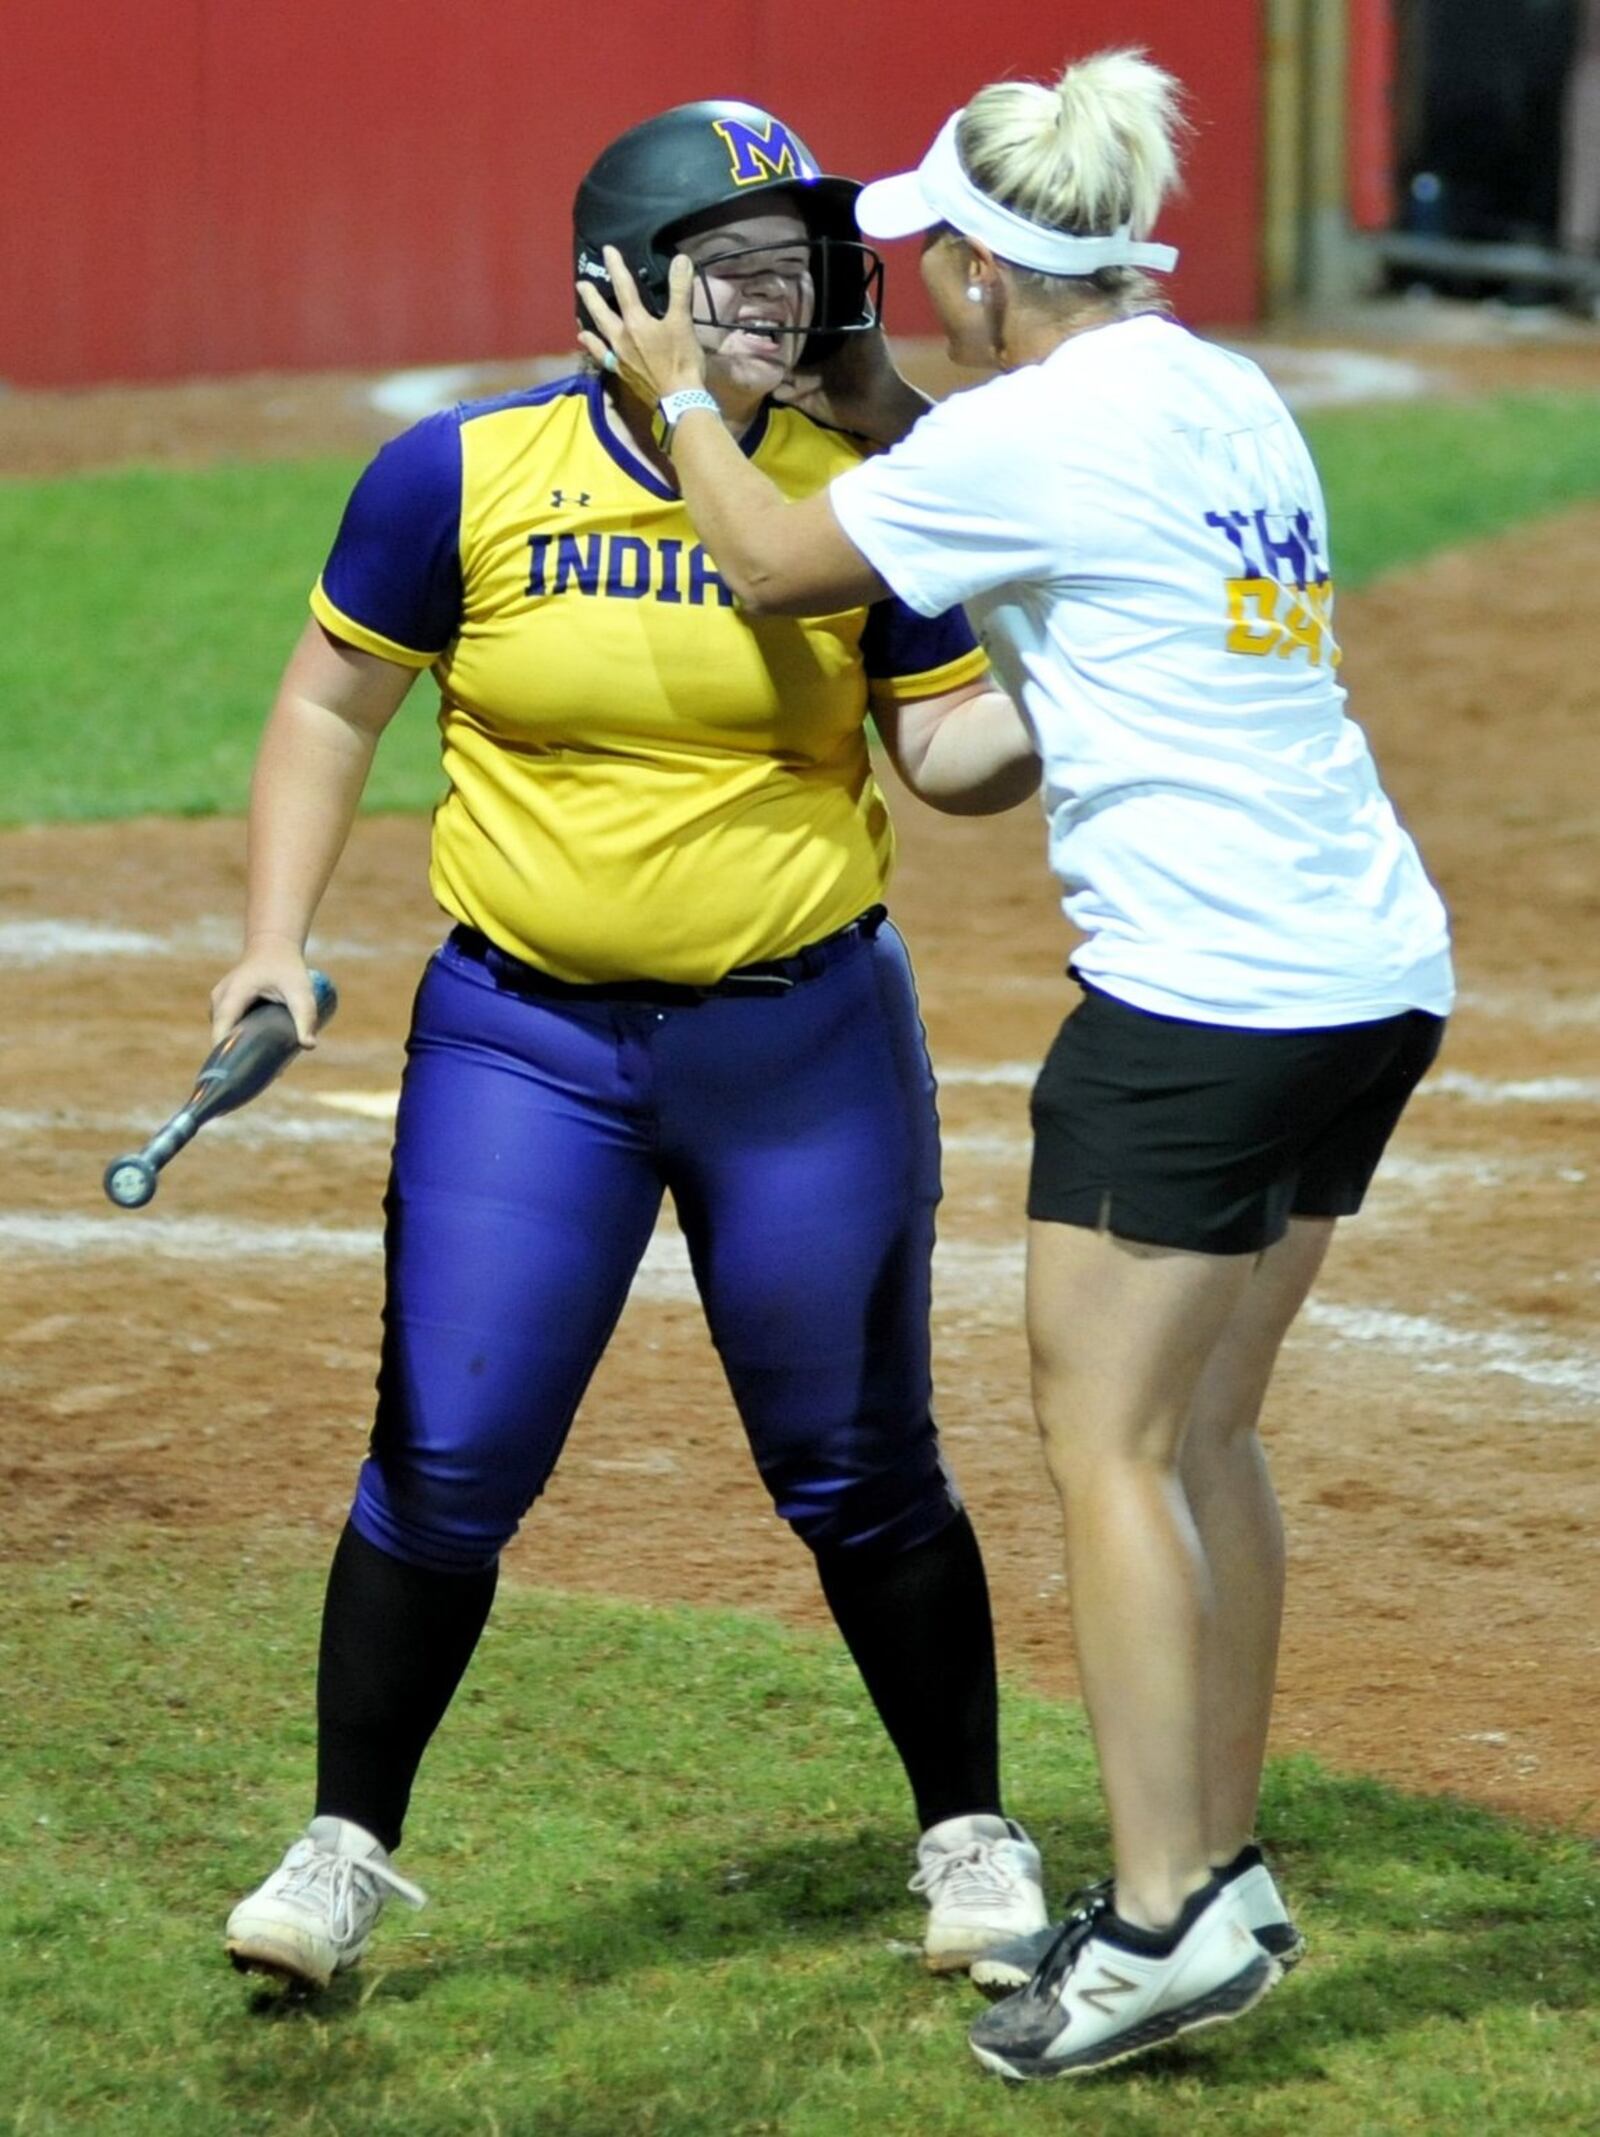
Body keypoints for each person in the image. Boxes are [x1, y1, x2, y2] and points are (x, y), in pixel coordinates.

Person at [579, 49, 1454, 2081]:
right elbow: (965, 479)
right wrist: (850, 404)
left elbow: (780, 564)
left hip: (1194, 1009)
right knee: (1203, 1430)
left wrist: (697, 405)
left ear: (979, 273)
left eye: (919, 264)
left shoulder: (1033, 440)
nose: (898, 291)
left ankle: (1153, 1921)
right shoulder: (1206, 384)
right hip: (1356, 973)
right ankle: (1211, 1869)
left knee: (1111, 1447)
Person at [215, 97, 1052, 1992]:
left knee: (859, 1460)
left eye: (803, 265)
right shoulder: (461, 474)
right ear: (621, 290)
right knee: (444, 1458)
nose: (785, 299)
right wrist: (271, 941)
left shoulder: (859, 490)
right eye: (735, 268)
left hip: (802, 1042)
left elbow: (948, 762)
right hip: (526, 1048)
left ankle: (974, 1836)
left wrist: (1084, 684)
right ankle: (341, 1850)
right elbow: (331, 702)